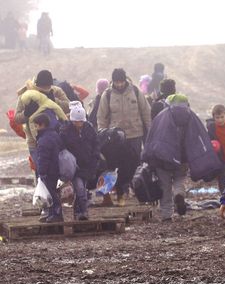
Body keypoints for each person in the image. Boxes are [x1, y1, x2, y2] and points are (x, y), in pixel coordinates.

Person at [97, 68, 152, 206]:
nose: (119, 84)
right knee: (113, 165)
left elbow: (146, 112)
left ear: (125, 80)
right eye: (117, 82)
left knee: (133, 165)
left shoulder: (135, 91)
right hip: (115, 138)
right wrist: (103, 135)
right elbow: (101, 117)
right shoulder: (107, 94)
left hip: (135, 134)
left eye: (121, 81)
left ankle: (130, 191)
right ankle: (114, 194)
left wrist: (150, 131)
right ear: (113, 81)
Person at [142, 94, 192, 221]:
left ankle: (166, 214)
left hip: (163, 159)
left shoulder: (161, 117)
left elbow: (152, 137)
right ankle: (179, 193)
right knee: (179, 179)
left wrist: (148, 155)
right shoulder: (190, 117)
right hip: (182, 159)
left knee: (165, 186)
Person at [60, 102, 100, 220]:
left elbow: (96, 145)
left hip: (88, 165)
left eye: (81, 121)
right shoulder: (65, 131)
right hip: (75, 167)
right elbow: (62, 147)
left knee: (82, 189)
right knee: (80, 189)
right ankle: (82, 212)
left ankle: (79, 212)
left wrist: (95, 159)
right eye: (76, 121)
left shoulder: (90, 129)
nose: (79, 124)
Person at [34, 113, 64, 223]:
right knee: (52, 192)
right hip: (56, 169)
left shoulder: (44, 140)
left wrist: (41, 173)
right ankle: (52, 214)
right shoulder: (54, 134)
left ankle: (56, 214)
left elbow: (43, 158)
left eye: (36, 126)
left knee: (51, 193)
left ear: (42, 125)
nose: (35, 128)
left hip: (49, 171)